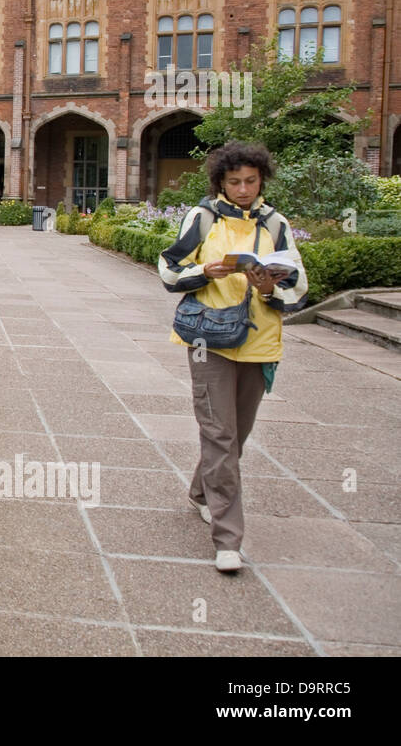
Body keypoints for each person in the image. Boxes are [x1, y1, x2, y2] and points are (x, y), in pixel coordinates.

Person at [158, 142, 308, 573]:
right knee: (219, 434)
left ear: (261, 180)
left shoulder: (276, 224)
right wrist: (204, 272)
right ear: (221, 182)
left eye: (250, 181)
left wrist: (267, 287)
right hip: (209, 340)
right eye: (234, 182)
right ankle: (228, 539)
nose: (243, 190)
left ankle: (202, 493)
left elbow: (298, 288)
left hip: (259, 342)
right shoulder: (202, 218)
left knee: (235, 434)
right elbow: (168, 269)